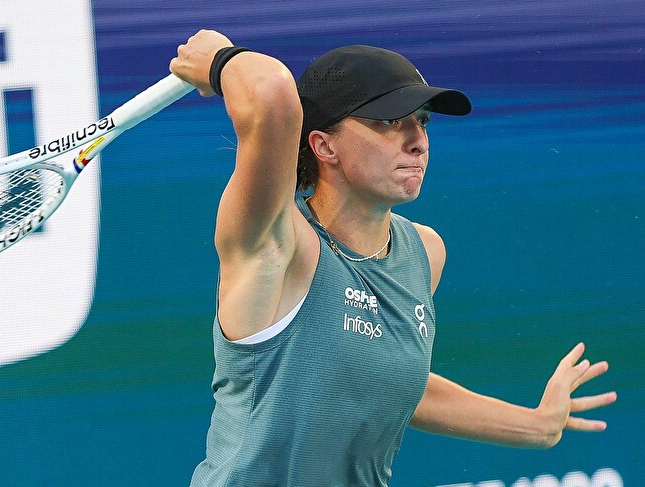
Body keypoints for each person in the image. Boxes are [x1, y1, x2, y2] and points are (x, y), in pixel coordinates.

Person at [170, 29, 617, 487]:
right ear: (324, 145)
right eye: (389, 121)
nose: (418, 140)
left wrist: (538, 426)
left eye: (422, 121)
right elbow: (270, 92)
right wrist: (218, 59)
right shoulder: (276, 242)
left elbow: (384, 379)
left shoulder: (423, 252)